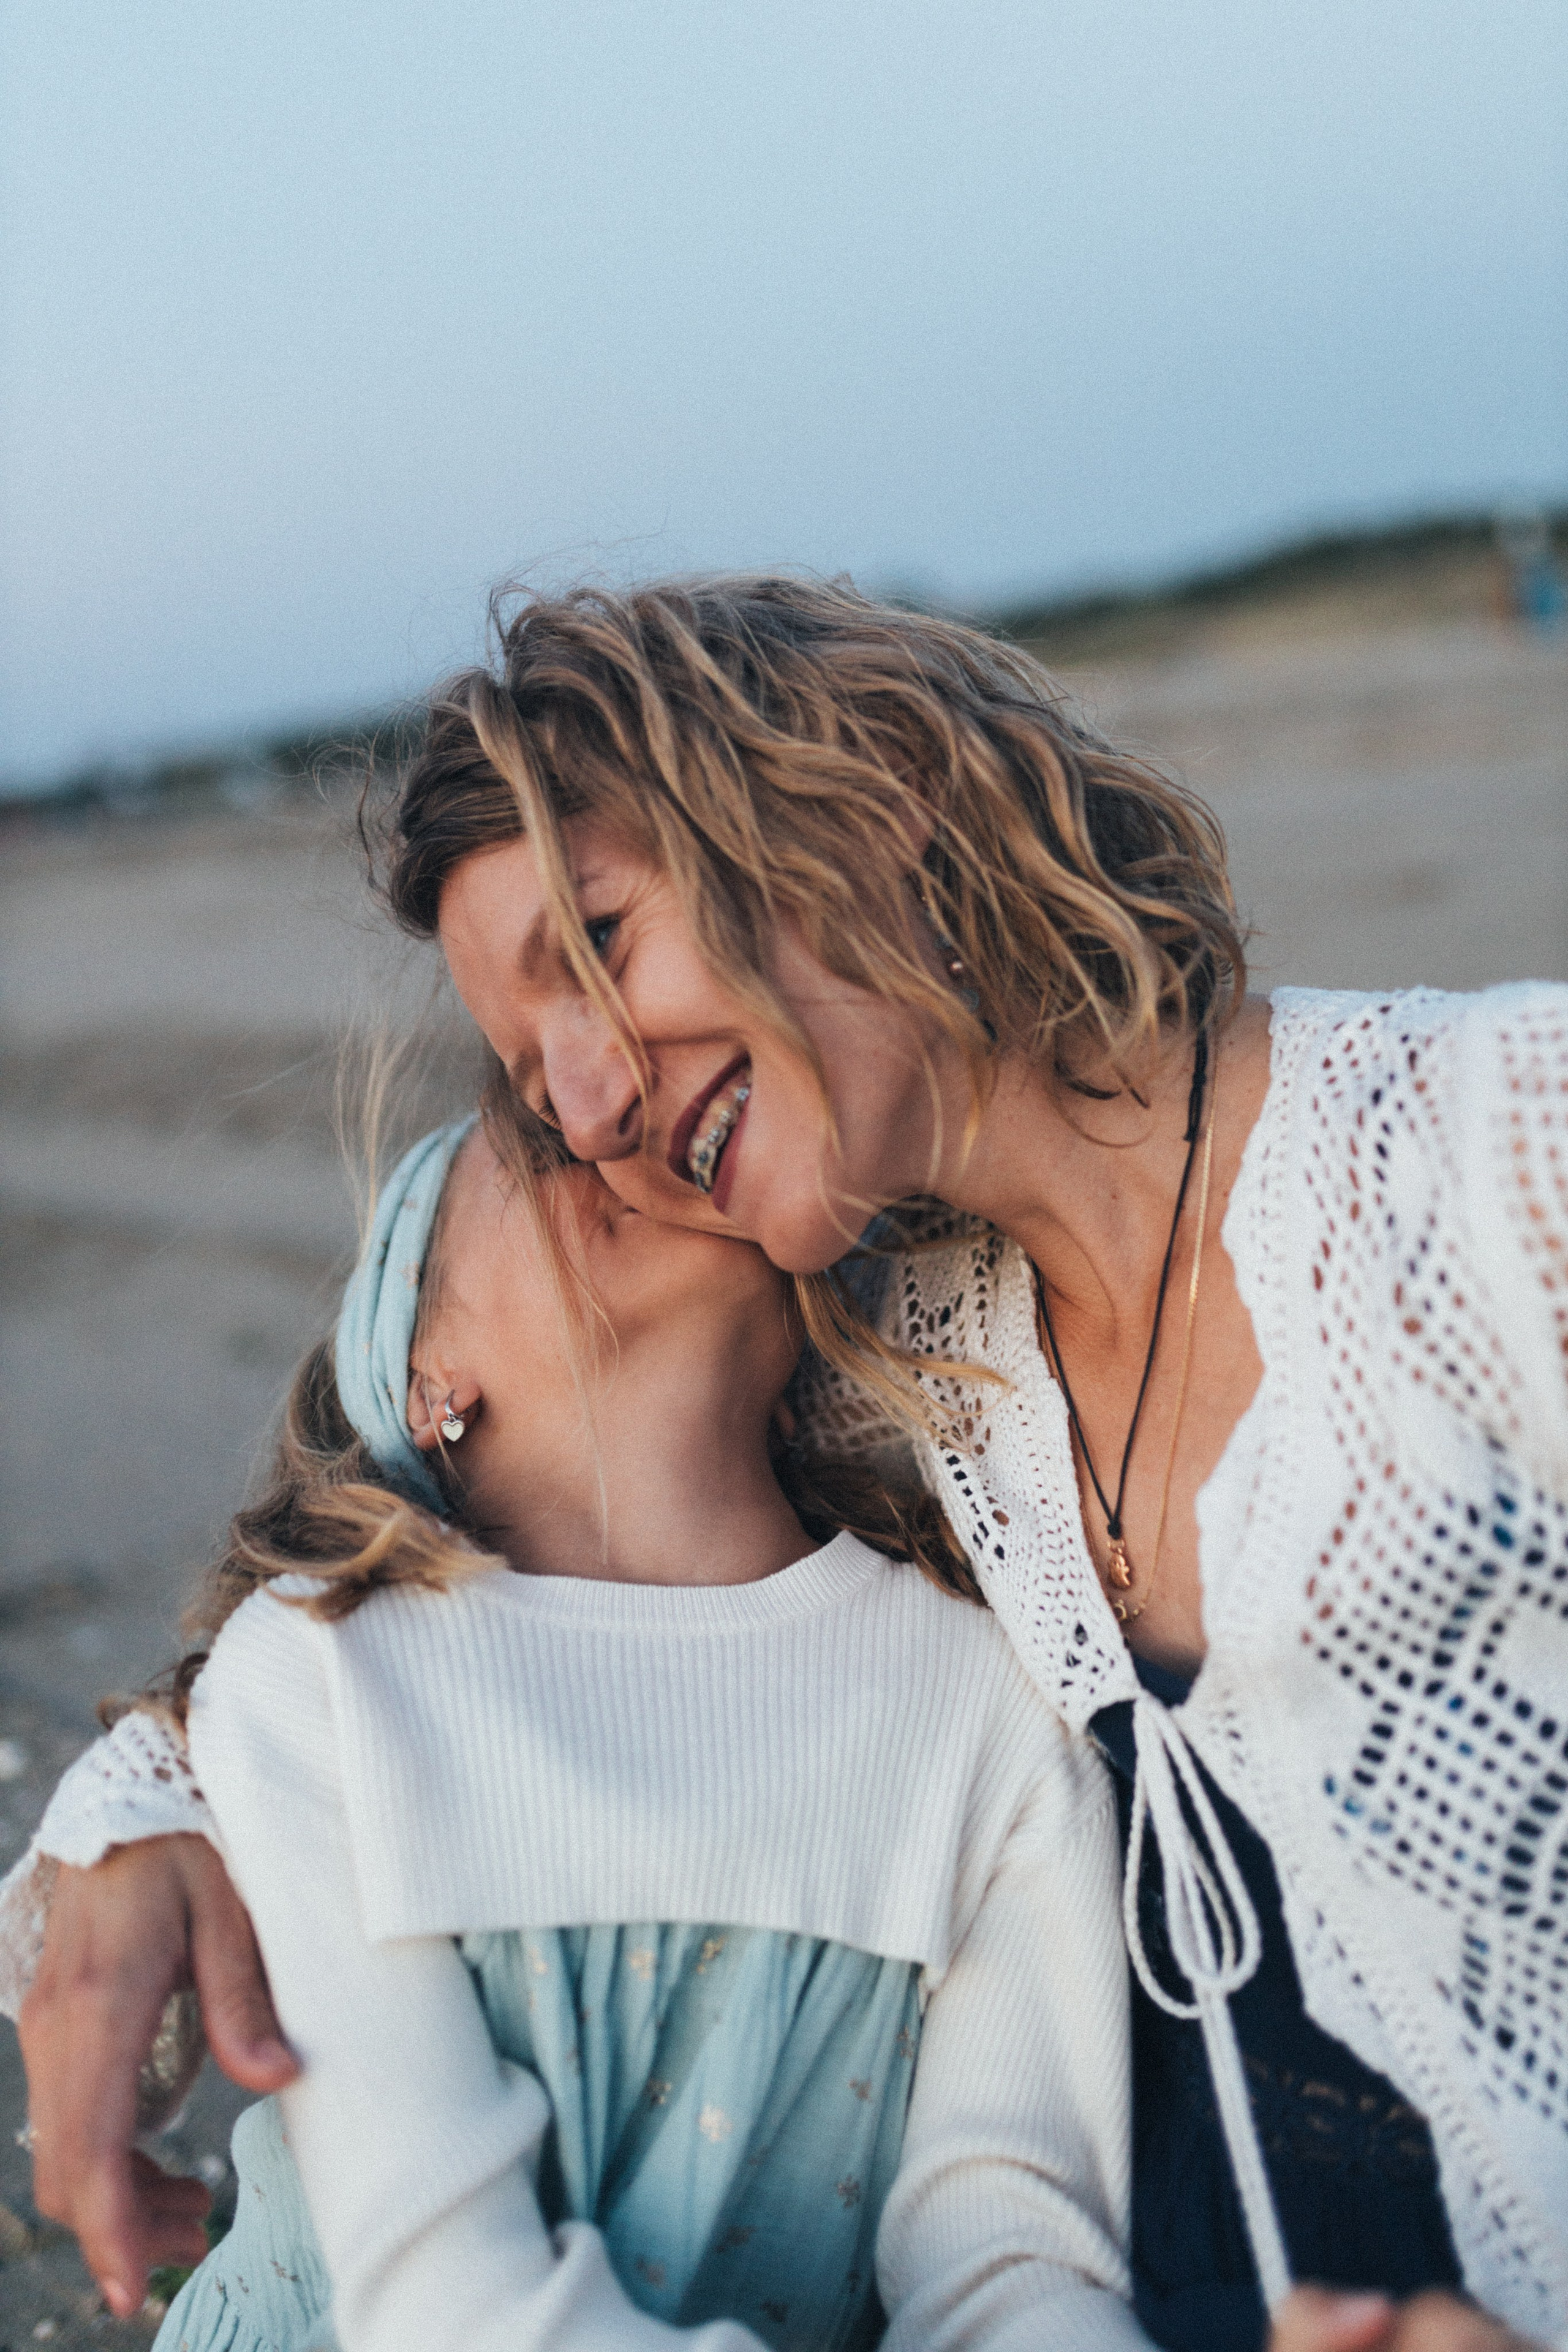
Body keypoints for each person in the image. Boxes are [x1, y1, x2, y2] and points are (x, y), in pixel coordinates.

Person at [9, 576, 1566, 2351]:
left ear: (857, 798)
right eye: (535, 1081)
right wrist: (136, 1813)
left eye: (594, 947)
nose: (586, 1106)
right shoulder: (919, 1365)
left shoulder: (1495, 1157)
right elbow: (518, 1604)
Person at [145, 1104, 1130, 2351]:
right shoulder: (333, 1668)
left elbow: (1008, 2265)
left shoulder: (983, 1695)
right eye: (553, 1142)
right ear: (424, 1372)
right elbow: (438, 2302)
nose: (626, 1137)